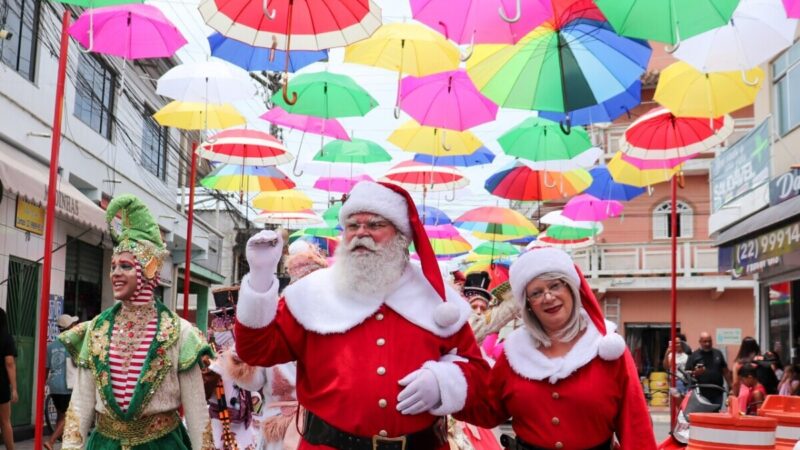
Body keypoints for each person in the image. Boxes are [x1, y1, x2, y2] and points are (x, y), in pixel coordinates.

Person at [234, 181, 489, 450]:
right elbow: (255, 352)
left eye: (375, 225)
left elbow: (480, 376)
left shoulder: (435, 297)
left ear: (402, 236)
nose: (361, 233)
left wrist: (444, 382)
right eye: (353, 226)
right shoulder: (312, 292)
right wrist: (260, 279)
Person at [457, 247, 655, 450]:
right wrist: (445, 390)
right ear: (528, 305)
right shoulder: (514, 355)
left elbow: (635, 426)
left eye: (555, 286)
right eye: (536, 293)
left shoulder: (608, 349)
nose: (548, 297)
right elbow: (488, 410)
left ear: (571, 289)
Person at [60, 194, 214, 450]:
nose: (116, 274)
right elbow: (80, 405)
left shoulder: (180, 333)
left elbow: (197, 412)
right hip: (105, 444)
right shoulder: (97, 329)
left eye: (126, 266)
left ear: (148, 270)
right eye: (113, 266)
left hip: (162, 445)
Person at [44, 314, 80, 450]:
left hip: (53, 385)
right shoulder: (72, 345)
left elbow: (46, 368)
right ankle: (51, 441)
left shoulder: (51, 346)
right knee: (69, 415)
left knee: (61, 413)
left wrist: (44, 385)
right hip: (67, 385)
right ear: (70, 327)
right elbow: (78, 364)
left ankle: (61, 439)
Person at [684, 332, 732, 407]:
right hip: (701, 392)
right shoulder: (694, 355)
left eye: (709, 341)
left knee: (716, 413)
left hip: (717, 391)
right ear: (700, 342)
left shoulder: (718, 353)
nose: (707, 344)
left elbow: (725, 371)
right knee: (704, 414)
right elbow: (686, 373)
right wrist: (695, 373)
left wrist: (730, 386)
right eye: (705, 341)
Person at [0, 308, 16, 450]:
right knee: (5, 422)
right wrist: (14, 389)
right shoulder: (6, 337)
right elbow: (9, 363)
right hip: (1, 385)